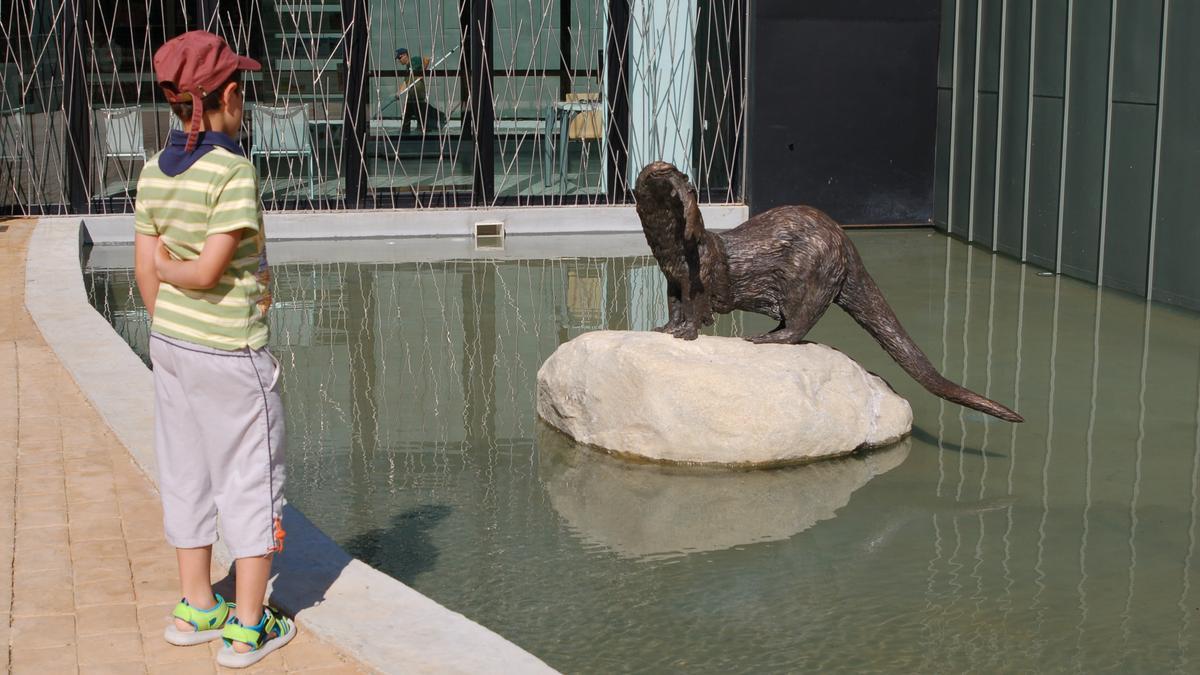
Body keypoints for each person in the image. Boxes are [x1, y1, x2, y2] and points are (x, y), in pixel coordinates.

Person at [133, 30, 294, 669]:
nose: (246, 102)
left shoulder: (151, 172)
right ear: (227, 96)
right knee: (250, 479)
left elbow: (148, 274)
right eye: (242, 90)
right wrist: (183, 279)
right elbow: (200, 272)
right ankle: (249, 627)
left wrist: (172, 313)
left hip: (172, 345)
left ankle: (198, 605)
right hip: (231, 353)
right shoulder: (231, 171)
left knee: (187, 469)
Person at [395, 47, 443, 136]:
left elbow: (426, 59)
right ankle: (407, 132)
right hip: (411, 96)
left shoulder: (414, 61)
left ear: (405, 55)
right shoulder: (408, 68)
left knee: (419, 116)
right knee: (412, 115)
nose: (399, 60)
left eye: (399, 58)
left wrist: (422, 72)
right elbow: (406, 82)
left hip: (418, 95)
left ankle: (436, 121)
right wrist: (399, 92)